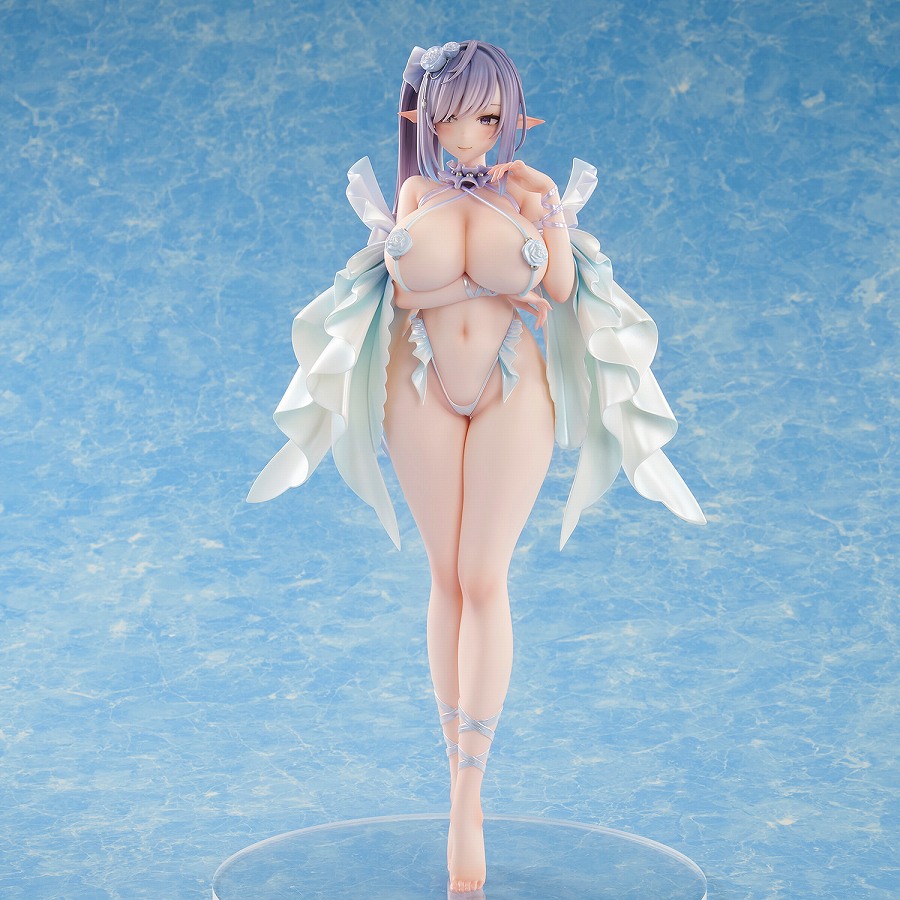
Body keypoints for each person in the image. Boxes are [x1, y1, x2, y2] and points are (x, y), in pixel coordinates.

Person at [248, 40, 705, 895]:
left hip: (511, 382)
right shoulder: (414, 195)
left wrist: (547, 208)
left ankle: (469, 794)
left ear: (508, 117)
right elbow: (397, 292)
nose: (470, 133)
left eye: (487, 116)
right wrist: (450, 277)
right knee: (446, 576)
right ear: (426, 116)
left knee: (484, 575)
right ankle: (452, 772)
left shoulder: (525, 191)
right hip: (418, 379)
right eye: (453, 115)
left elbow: (558, 289)